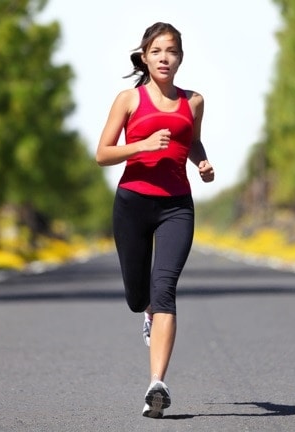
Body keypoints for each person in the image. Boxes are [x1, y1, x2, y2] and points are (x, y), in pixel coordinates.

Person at [95, 22, 215, 419]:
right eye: (158, 51)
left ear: (181, 57)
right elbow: (103, 153)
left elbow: (191, 137)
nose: (166, 58)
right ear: (145, 57)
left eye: (173, 51)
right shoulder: (128, 99)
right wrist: (141, 145)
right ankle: (145, 312)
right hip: (132, 203)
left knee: (165, 289)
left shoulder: (193, 100)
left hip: (176, 206)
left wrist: (201, 160)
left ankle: (156, 385)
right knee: (137, 296)